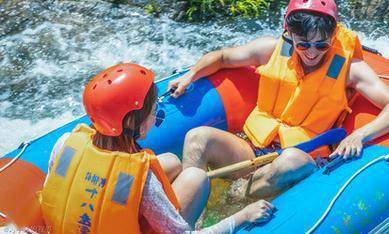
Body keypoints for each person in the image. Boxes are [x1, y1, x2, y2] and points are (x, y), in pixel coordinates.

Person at [170, 0, 389, 198]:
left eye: (321, 45)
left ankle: (235, 199)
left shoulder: (349, 69)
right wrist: (190, 76)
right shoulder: (272, 49)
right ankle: (190, 221)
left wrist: (360, 135)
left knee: (290, 160)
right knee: (198, 136)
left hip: (302, 157)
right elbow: (223, 57)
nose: (312, 52)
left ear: (333, 37)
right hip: (252, 148)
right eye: (303, 44)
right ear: (289, 33)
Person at [40, 63, 274, 233]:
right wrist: (242, 217)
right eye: (153, 112)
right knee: (195, 178)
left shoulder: (65, 142)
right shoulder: (142, 180)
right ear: (135, 123)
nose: (155, 117)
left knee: (172, 161)